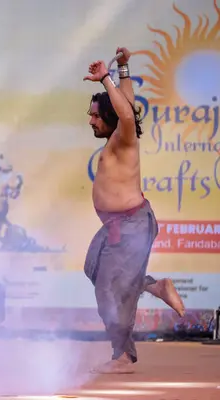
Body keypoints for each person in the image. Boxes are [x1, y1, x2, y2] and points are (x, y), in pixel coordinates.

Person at [82, 48, 185, 374]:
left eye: (96, 114)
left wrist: (107, 78)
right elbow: (125, 107)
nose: (91, 119)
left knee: (111, 292)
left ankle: (122, 356)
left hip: (132, 226)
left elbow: (126, 114)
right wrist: (124, 69)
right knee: (94, 268)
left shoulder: (122, 140)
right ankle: (154, 285)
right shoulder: (118, 136)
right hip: (119, 225)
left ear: (109, 118)